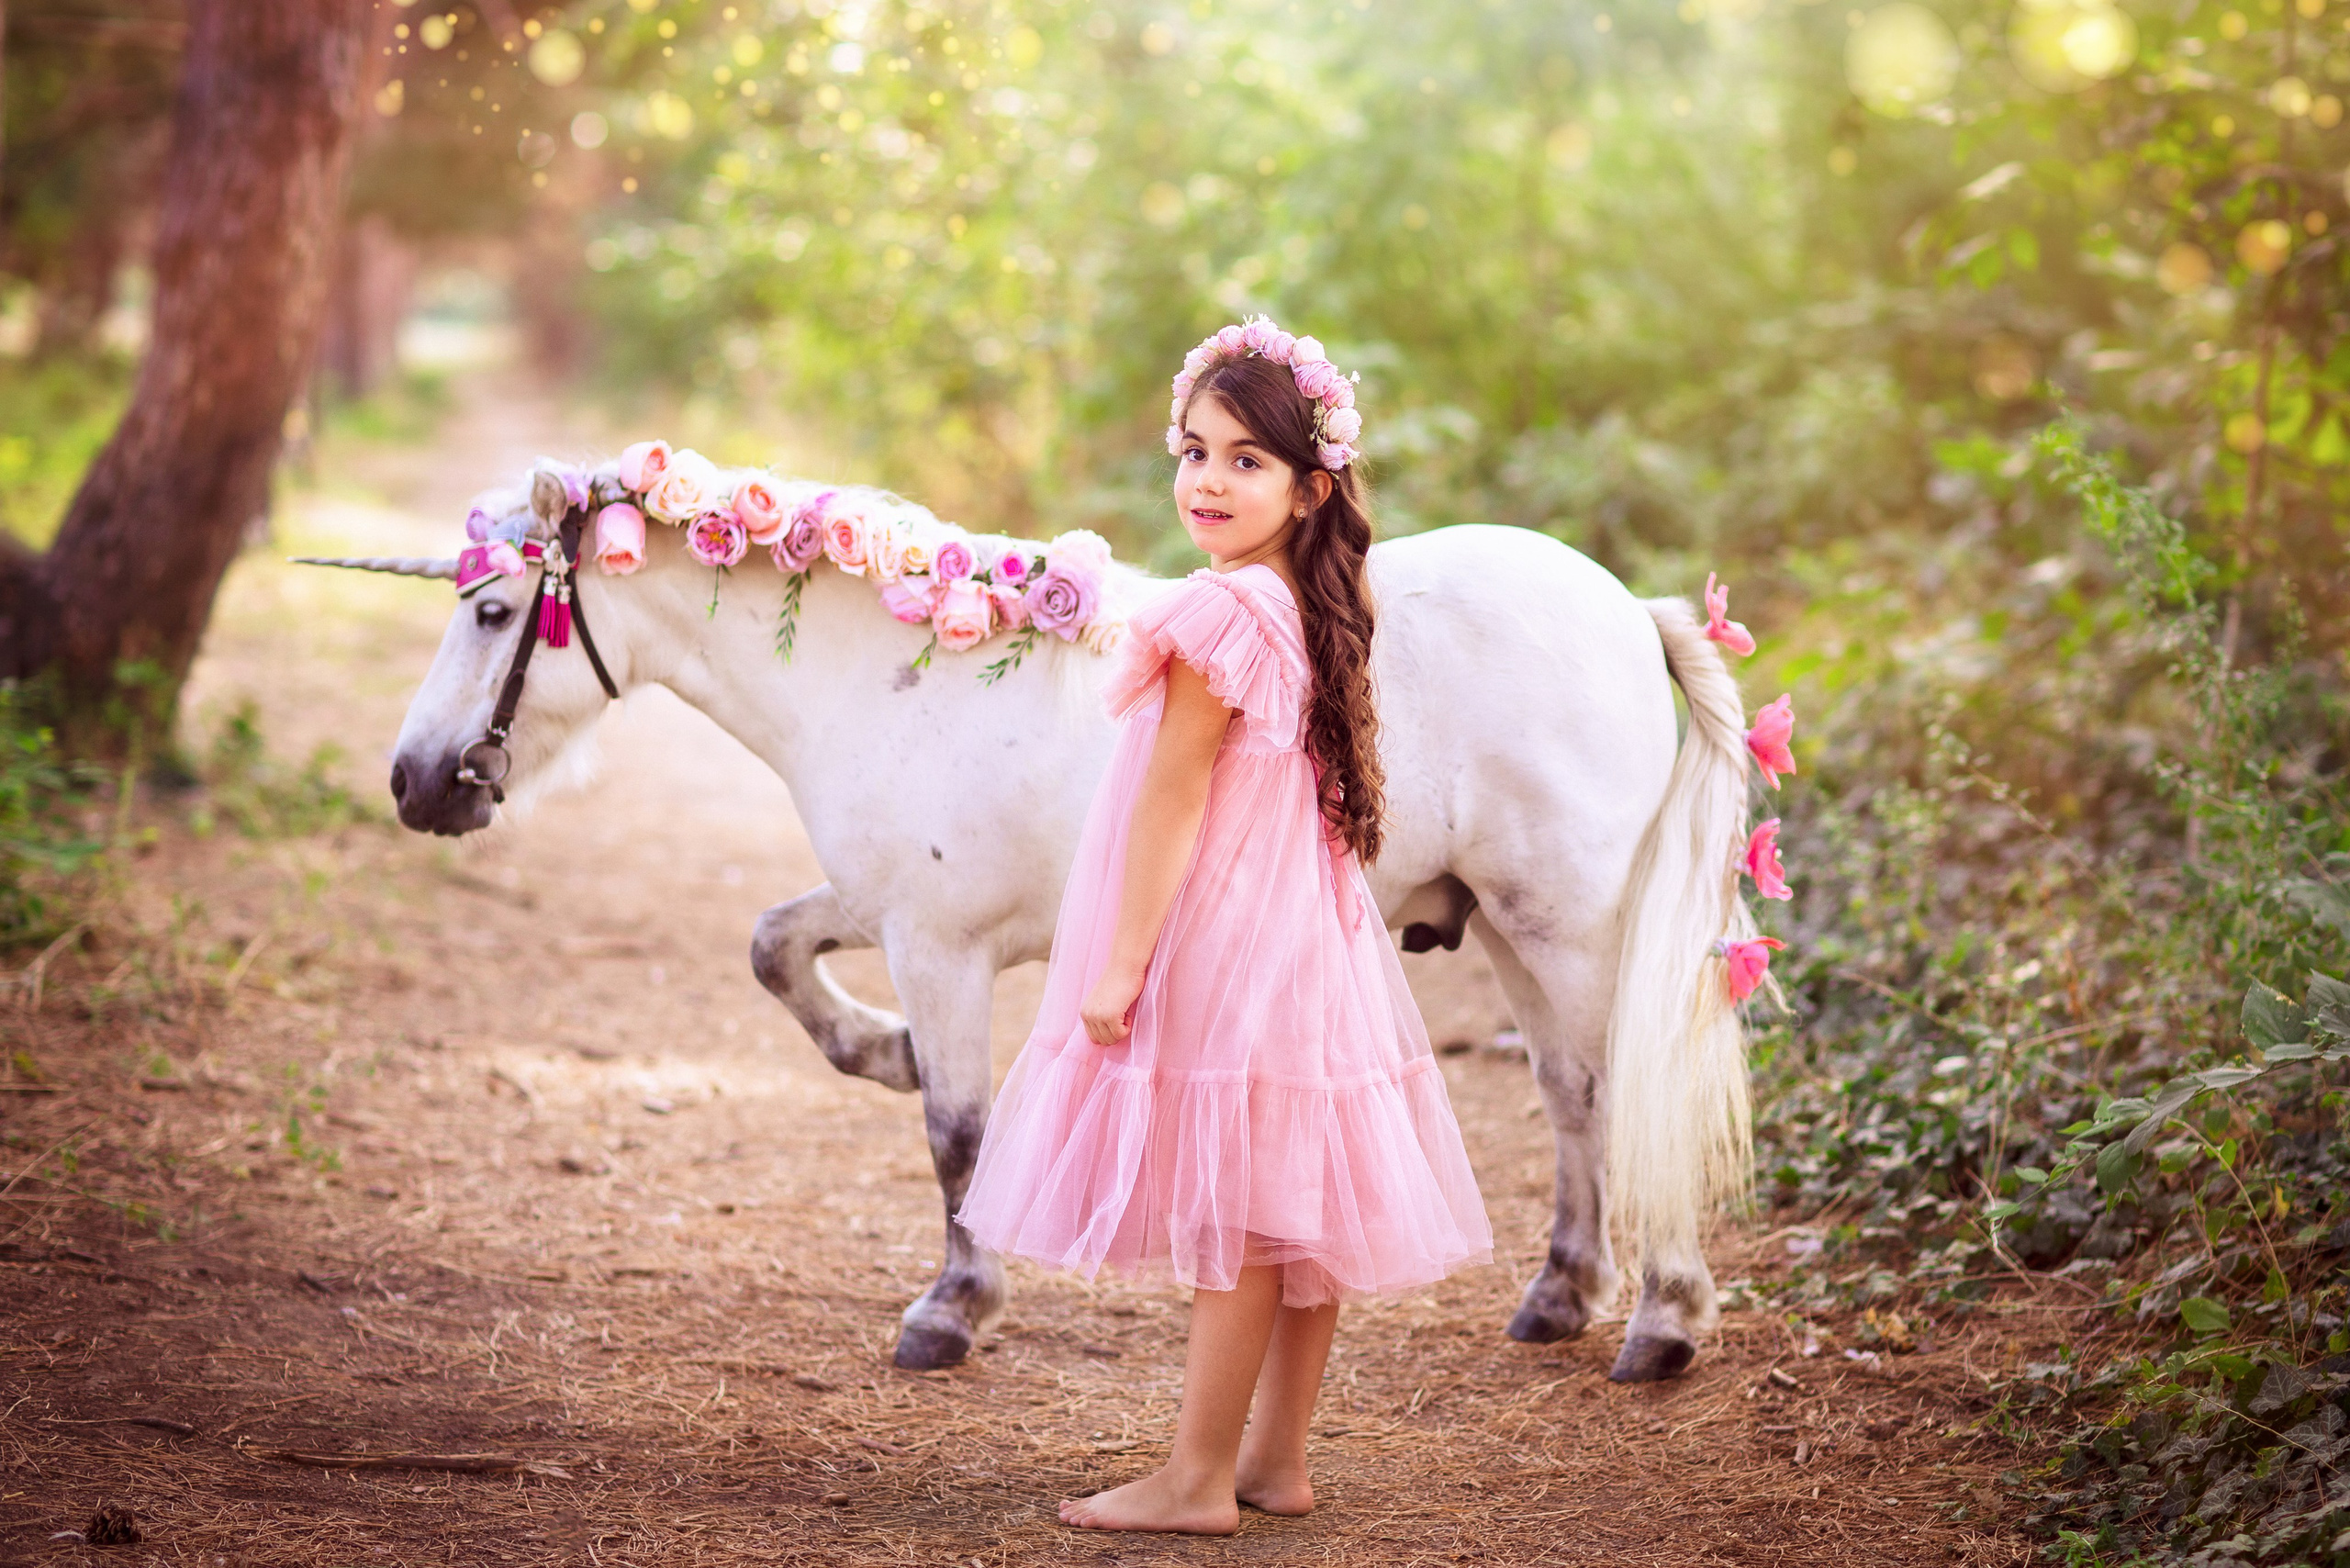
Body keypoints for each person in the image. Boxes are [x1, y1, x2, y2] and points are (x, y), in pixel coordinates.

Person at [956, 317, 1493, 1536]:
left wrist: (1122, 958)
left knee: (1246, 1215)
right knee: (1296, 1193)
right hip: (1307, 931)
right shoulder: (1302, 601)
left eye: (1246, 461)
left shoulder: (1219, 615)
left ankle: (1198, 1479)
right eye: (1195, 451)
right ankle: (1275, 1460)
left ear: (1310, 486)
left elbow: (1171, 797)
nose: (1207, 479)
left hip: (1230, 928)